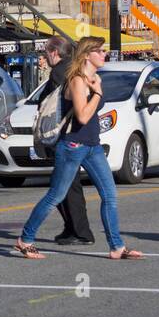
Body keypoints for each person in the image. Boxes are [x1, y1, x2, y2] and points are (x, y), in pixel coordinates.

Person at [15, 37, 145, 261]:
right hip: (73, 145)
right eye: (100, 51)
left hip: (92, 146)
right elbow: (83, 116)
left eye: (104, 51)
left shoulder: (94, 78)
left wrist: (97, 91)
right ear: (87, 55)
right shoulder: (76, 81)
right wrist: (98, 94)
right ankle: (26, 240)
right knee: (56, 196)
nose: (104, 54)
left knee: (110, 195)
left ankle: (116, 247)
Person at [40, 35, 93, 246]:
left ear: (54, 52)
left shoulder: (59, 72)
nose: (45, 58)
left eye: (46, 54)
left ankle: (81, 231)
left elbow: (51, 104)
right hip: (77, 134)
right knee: (67, 184)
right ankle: (73, 228)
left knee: (66, 186)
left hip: (65, 135)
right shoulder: (75, 67)